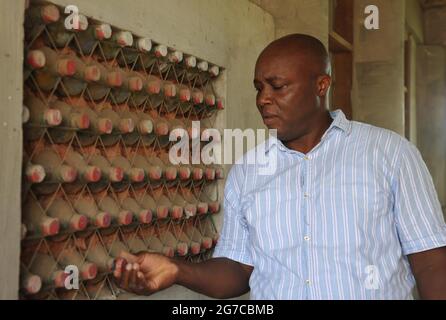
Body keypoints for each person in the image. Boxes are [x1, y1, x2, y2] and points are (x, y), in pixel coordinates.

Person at [112, 34, 446, 299]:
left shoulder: (390, 153)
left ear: (321, 86)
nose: (262, 99)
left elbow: (431, 265)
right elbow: (237, 270)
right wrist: (176, 270)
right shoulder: (249, 171)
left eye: (277, 86)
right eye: (259, 88)